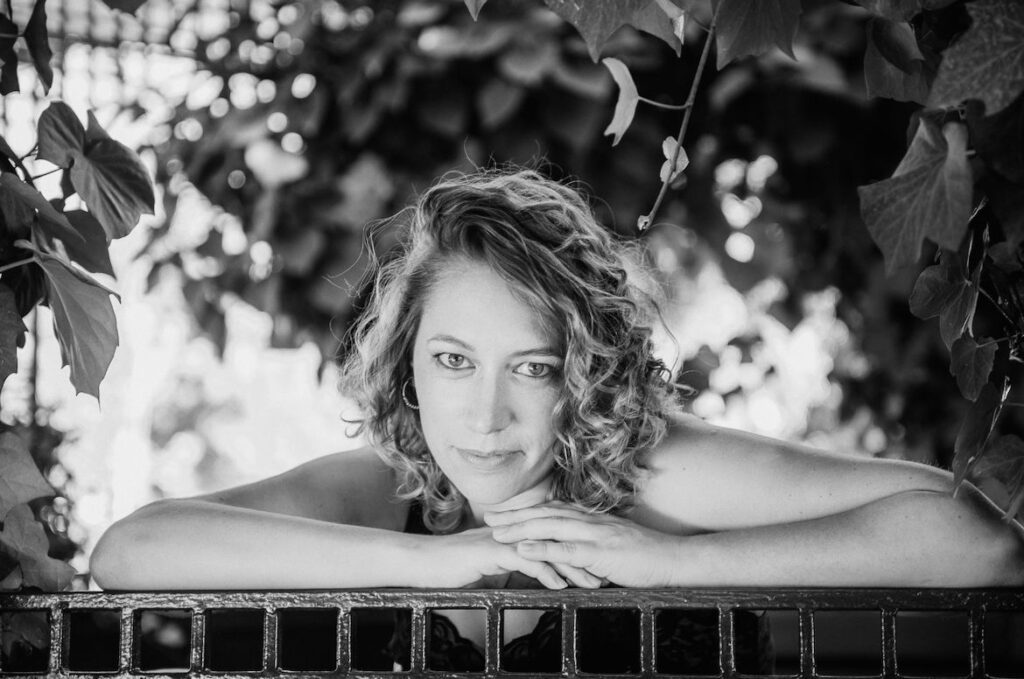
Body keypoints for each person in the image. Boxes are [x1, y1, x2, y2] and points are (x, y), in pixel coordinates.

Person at [90, 169, 1024, 670]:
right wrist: (438, 562)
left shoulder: (651, 472)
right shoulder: (396, 490)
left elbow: (980, 545)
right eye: (453, 361)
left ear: (582, 372)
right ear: (407, 362)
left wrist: (666, 564)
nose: (485, 415)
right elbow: (131, 553)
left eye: (532, 368)